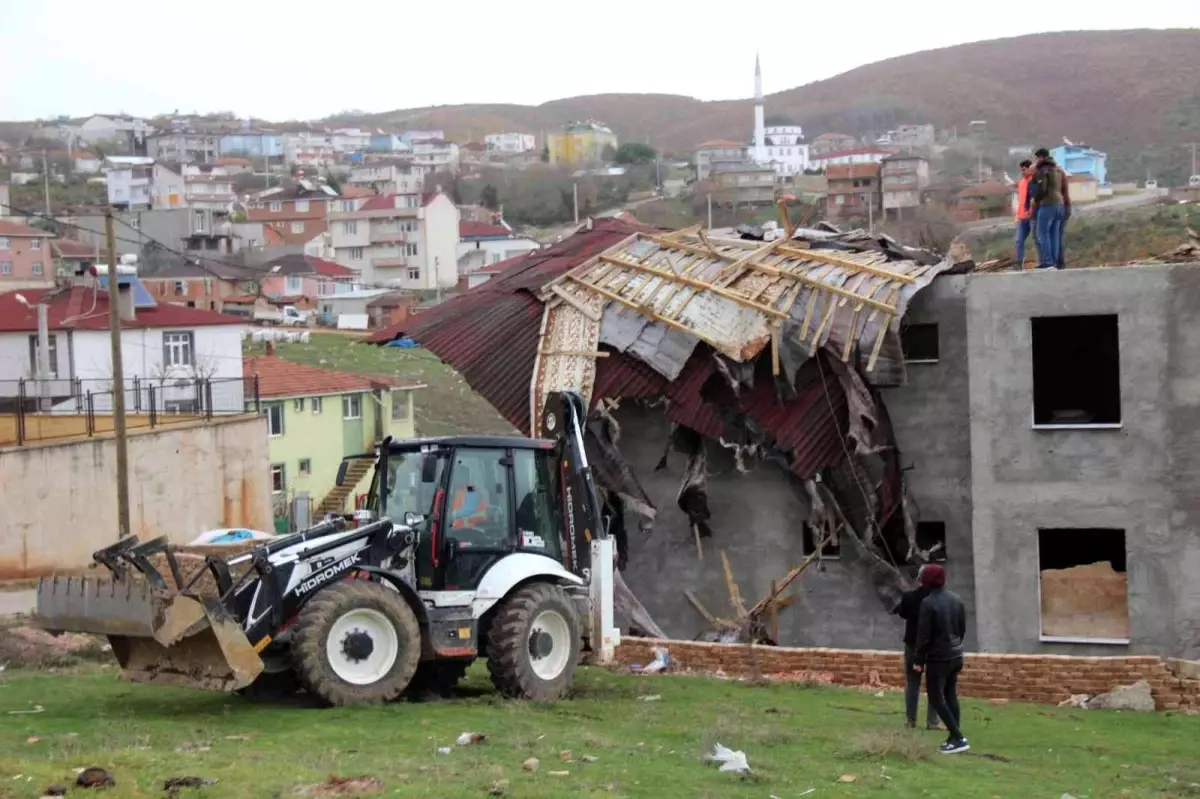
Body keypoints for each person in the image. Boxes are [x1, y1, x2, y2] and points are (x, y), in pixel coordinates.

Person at [913, 563, 969, 754]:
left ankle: (959, 737)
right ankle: (953, 739)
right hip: (956, 655)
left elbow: (924, 636)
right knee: (951, 694)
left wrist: (918, 660)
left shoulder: (928, 603)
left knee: (937, 698)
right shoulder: (956, 599)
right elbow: (962, 629)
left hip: (939, 658)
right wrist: (956, 646)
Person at [892, 565, 941, 730]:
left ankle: (911, 720)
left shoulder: (909, 597)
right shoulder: (941, 599)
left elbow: (902, 613)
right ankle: (932, 721)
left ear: (919, 579)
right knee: (935, 683)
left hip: (913, 644)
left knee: (913, 683)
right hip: (934, 646)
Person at [1030, 148, 1065, 269]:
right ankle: (1053, 262)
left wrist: (1035, 200)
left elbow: (1043, 189)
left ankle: (1047, 261)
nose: (1035, 161)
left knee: (1042, 234)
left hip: (1048, 204)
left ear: (1041, 157)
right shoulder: (1056, 170)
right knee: (1053, 235)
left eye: (1037, 158)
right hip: (1059, 205)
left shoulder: (1042, 170)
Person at [1014, 160, 1035, 267]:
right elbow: (1021, 200)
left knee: (1038, 239)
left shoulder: (1035, 181)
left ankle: (1044, 262)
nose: (1022, 172)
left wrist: (1031, 212)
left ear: (1029, 168)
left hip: (1033, 216)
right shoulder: (1021, 183)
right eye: (1021, 170)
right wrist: (1017, 215)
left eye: (1024, 169)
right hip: (1022, 217)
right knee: (1018, 241)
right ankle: (1018, 263)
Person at [1057, 162, 1072, 268]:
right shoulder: (1060, 173)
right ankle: (1060, 263)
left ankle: (1059, 263)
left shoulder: (1056, 174)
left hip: (1062, 207)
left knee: (1056, 236)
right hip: (1065, 207)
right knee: (1058, 235)